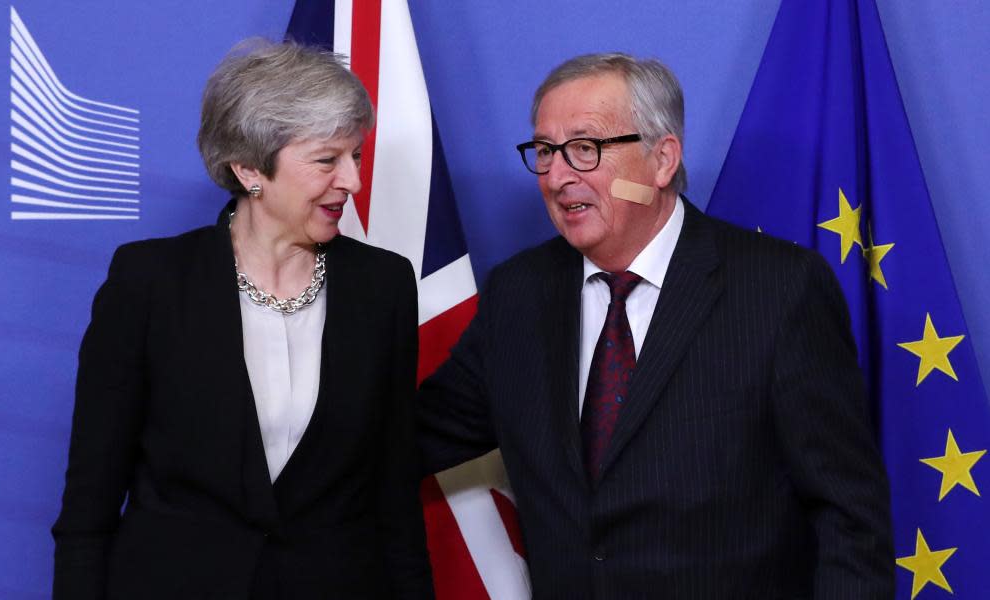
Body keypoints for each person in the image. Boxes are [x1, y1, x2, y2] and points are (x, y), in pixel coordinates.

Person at [416, 53, 894, 598]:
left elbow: (849, 517)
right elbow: (412, 436)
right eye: (545, 151)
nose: (557, 176)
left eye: (584, 148)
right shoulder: (517, 294)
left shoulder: (779, 289)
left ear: (663, 159)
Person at [52, 41, 433, 600]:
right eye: (327, 160)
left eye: (355, 156)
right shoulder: (149, 282)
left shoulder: (384, 285)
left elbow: (393, 493)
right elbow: (90, 501)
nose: (352, 180)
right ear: (249, 167)